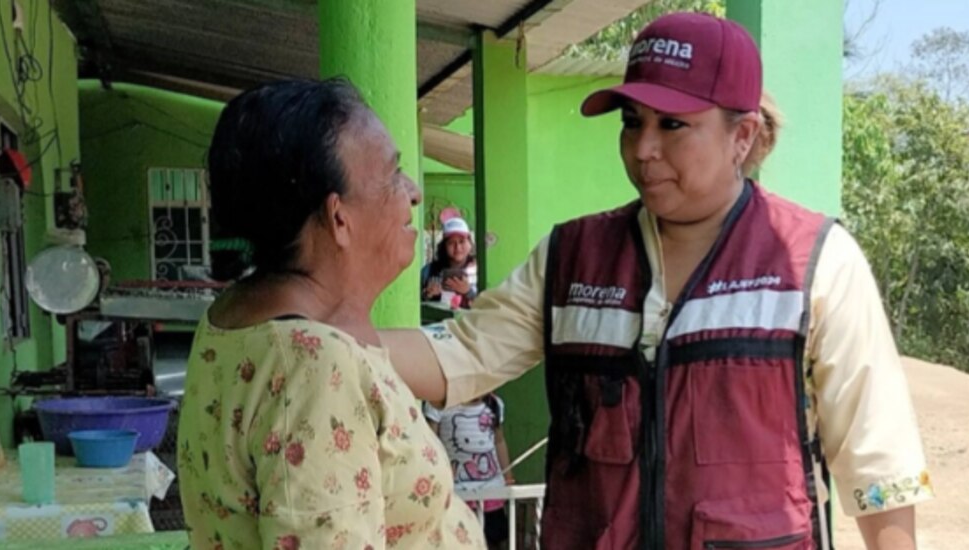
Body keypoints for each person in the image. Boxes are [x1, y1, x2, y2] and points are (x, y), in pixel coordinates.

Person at [381, 12, 932, 550]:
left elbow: (876, 459)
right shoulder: (571, 258)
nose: (643, 149)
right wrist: (313, 338)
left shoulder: (816, 260)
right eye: (631, 122)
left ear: (742, 135)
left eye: (672, 124)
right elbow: (462, 355)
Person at [177, 79, 484, 549]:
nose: (414, 192)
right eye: (393, 174)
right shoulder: (313, 367)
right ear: (339, 218)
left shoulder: (233, 318)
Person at [424, 393, 514, 548]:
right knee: (459, 539)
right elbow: (430, 443)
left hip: (491, 491)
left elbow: (499, 441)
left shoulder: (494, 404)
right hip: (458, 493)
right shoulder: (439, 405)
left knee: (493, 540)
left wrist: (508, 477)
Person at [422, 217, 479, 308]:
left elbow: (489, 306)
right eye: (451, 243)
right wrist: (427, 294)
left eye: (462, 241)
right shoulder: (429, 271)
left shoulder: (480, 270)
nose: (457, 247)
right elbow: (413, 302)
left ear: (470, 243)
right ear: (444, 246)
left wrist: (468, 292)